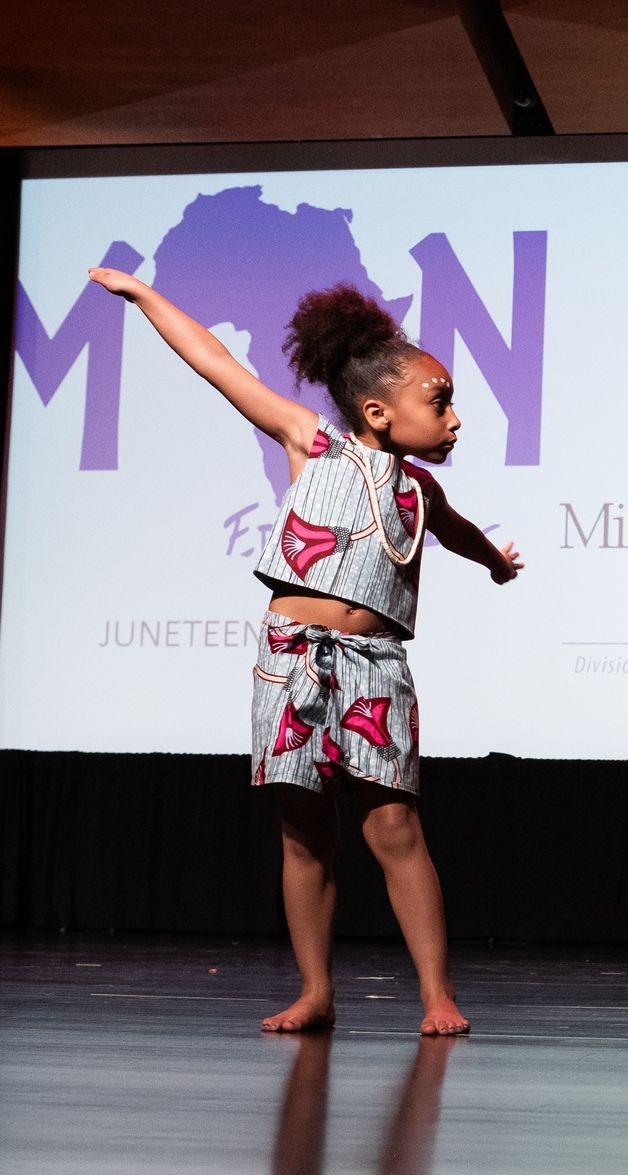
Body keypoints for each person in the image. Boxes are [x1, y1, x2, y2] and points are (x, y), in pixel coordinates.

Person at [88, 267, 522, 1035]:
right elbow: (218, 365)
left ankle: (435, 993)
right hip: (291, 657)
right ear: (378, 411)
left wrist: (492, 560)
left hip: (375, 664)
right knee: (302, 830)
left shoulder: (420, 491)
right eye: (440, 401)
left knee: (394, 827)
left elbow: (454, 532)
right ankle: (317, 989)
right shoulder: (311, 444)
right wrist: (146, 297)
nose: (455, 417)